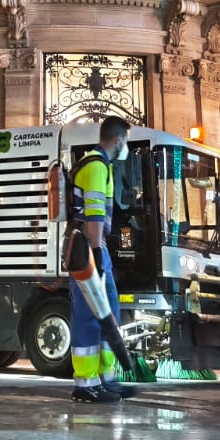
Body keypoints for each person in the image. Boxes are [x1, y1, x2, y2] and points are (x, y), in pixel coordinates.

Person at [67, 115, 130, 403]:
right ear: (117, 140)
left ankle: (107, 378)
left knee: (109, 313)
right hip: (88, 248)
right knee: (90, 316)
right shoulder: (95, 165)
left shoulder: (98, 164)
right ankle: (85, 385)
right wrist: (95, 254)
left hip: (94, 247)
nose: (125, 146)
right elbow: (93, 214)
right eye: (125, 140)